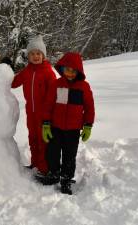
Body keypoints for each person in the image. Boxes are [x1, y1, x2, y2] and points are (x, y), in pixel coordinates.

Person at [42, 52, 95, 194]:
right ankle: (54, 174)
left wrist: (88, 126)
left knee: (69, 155)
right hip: (55, 127)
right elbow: (48, 105)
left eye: (73, 71)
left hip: (73, 130)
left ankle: (66, 179)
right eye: (67, 70)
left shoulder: (84, 87)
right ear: (62, 69)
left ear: (79, 71)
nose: (70, 73)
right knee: (52, 152)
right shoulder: (56, 84)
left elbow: (89, 107)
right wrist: (46, 124)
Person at [11, 35, 56, 176]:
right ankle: (35, 163)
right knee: (33, 138)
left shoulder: (48, 72)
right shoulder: (26, 71)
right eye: (32, 54)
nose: (35, 56)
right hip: (30, 112)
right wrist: (6, 68)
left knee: (44, 141)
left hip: (45, 114)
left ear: (43, 55)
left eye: (38, 53)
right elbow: (13, 83)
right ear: (28, 56)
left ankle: (44, 168)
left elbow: (53, 95)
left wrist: (49, 115)